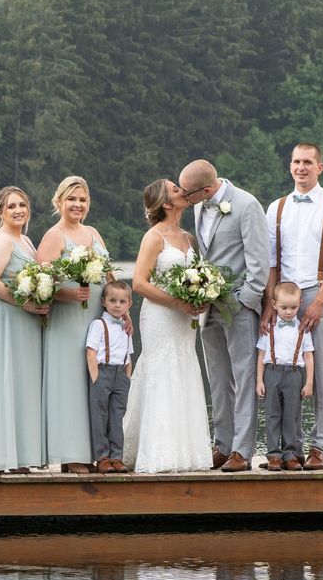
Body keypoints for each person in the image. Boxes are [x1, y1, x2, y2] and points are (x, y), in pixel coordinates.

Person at [262, 143, 323, 470]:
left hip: (318, 291)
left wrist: (319, 301)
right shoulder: (276, 208)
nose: (301, 167)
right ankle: (286, 449)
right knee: (281, 370)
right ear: (290, 167)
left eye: (308, 162)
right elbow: (271, 261)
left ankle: (320, 446)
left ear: (320, 167)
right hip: (282, 296)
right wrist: (270, 302)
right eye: (296, 162)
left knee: (321, 371)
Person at [177, 159, 269, 472]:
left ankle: (242, 451)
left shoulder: (246, 205)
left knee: (243, 378)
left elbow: (259, 260)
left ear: (205, 189)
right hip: (208, 307)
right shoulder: (198, 206)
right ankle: (223, 444)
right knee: (218, 378)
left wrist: (246, 301)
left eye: (187, 194)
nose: (183, 199)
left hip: (238, 307)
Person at [122, 179, 212, 473]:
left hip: (186, 319)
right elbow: (138, 283)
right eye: (175, 189)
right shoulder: (154, 236)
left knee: (184, 368)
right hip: (160, 316)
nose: (182, 191)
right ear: (165, 203)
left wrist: (200, 298)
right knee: (161, 370)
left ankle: (186, 453)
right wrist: (177, 303)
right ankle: (157, 454)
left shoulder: (189, 237)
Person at [37, 176, 112, 475]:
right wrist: (69, 293)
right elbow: (40, 284)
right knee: (69, 384)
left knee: (92, 385)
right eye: (71, 199)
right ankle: (70, 454)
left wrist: (120, 311)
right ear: (60, 202)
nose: (77, 205)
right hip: (67, 320)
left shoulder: (93, 233)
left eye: (82, 199)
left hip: (94, 317)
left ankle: (94, 450)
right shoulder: (54, 236)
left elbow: (108, 276)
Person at [0, 186, 49, 474]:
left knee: (21, 383)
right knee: (4, 381)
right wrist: (25, 303)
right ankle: (0, 457)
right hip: (6, 316)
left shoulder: (26, 241)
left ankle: (19, 456)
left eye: (22, 205)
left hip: (24, 320)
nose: (18, 210)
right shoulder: (3, 240)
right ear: (0, 212)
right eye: (11, 206)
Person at [257, 281, 315, 471]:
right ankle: (274, 455)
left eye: (293, 307)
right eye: (284, 308)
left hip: (294, 375)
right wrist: (259, 380)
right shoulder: (269, 328)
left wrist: (309, 382)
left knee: (292, 416)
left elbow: (308, 356)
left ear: (300, 303)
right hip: (272, 373)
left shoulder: (303, 329)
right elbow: (261, 356)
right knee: (272, 415)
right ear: (274, 305)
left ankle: (291, 455)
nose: (289, 312)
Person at [85, 281, 133, 473]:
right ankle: (102, 457)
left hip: (120, 374)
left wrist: (127, 378)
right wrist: (96, 378)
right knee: (99, 417)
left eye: (122, 301)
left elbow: (129, 355)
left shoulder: (126, 327)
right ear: (104, 301)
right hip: (102, 373)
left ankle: (116, 457)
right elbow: (90, 351)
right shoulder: (98, 324)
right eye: (112, 300)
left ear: (129, 305)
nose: (117, 305)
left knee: (116, 417)